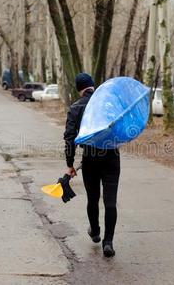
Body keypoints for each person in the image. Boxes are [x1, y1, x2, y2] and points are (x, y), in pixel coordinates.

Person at [64, 73, 121, 258]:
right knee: (110, 201)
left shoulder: (75, 108)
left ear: (78, 89)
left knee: (93, 198)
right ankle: (108, 242)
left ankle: (95, 232)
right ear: (92, 86)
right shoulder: (107, 105)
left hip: (90, 158)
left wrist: (70, 164)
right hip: (111, 156)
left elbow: (70, 138)